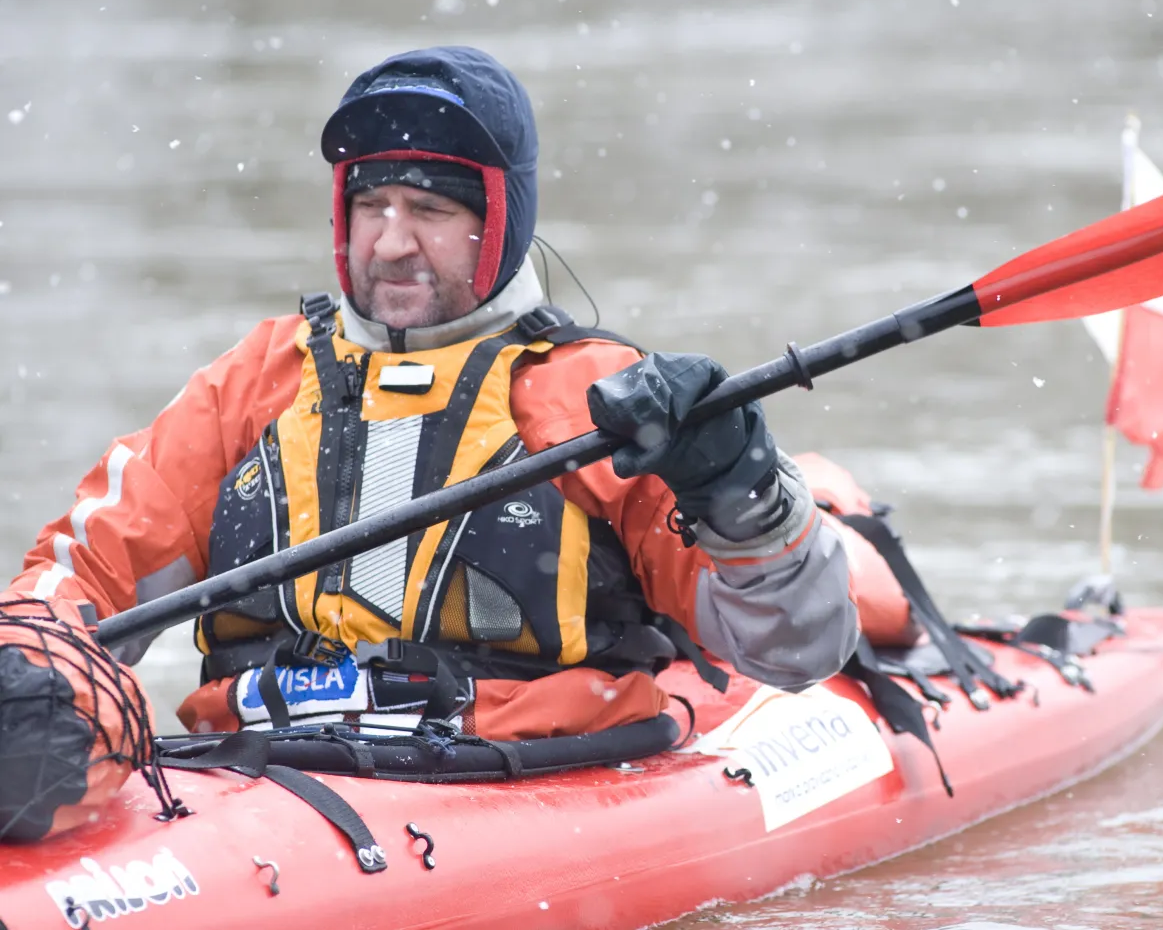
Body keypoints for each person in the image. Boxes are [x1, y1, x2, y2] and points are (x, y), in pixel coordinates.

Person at [1, 46, 868, 760]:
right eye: (370, 204)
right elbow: (87, 568)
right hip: (259, 771)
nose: (392, 241)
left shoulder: (594, 399)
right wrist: (32, 675)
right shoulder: (254, 380)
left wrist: (742, 492)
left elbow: (792, 649)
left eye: (429, 208)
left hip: (525, 779)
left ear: (499, 219)